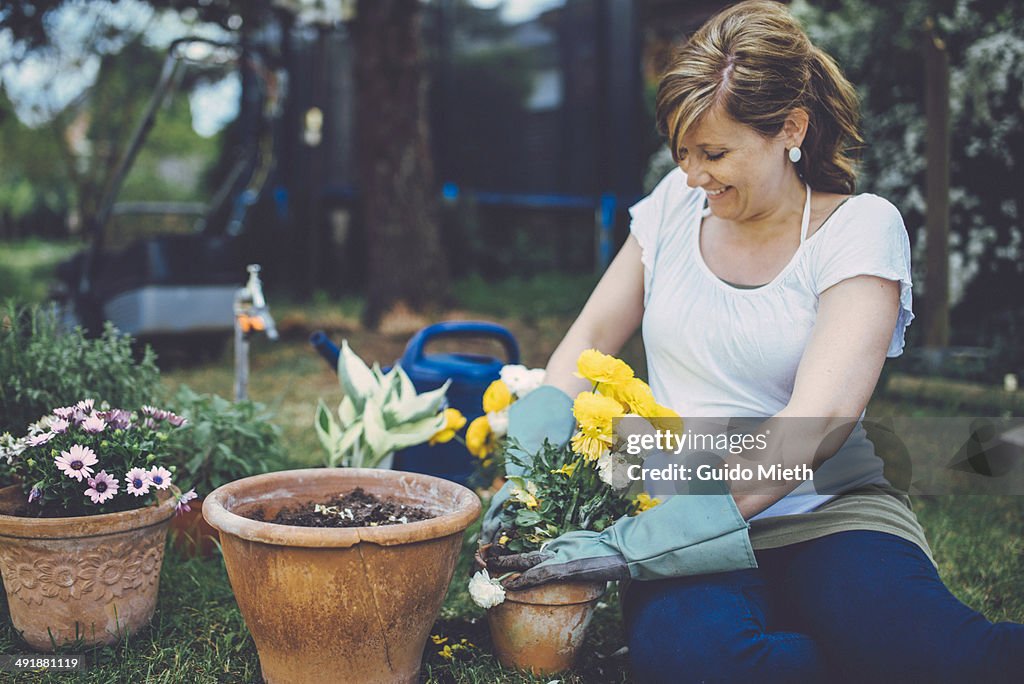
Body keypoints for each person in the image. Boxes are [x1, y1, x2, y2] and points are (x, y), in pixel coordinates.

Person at [478, 2, 1024, 682]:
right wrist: (527, 474)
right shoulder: (674, 209)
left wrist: (626, 544)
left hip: (823, 510)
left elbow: (807, 431)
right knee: (696, 663)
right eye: (681, 150)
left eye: (713, 152)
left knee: (951, 662)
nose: (692, 175)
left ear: (789, 129)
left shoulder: (858, 230)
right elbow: (587, 340)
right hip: (678, 516)